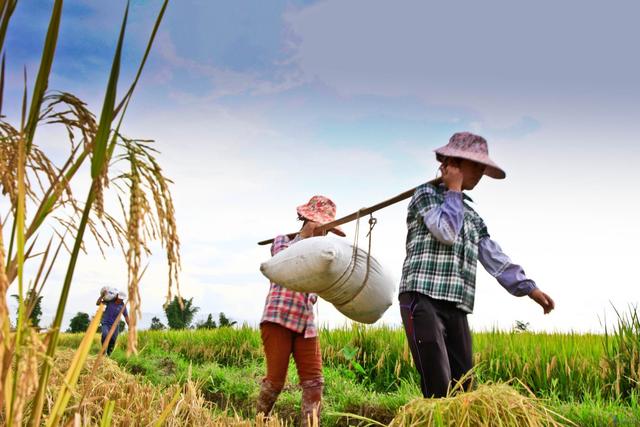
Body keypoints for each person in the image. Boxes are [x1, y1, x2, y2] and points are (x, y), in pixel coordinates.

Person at [399, 132, 555, 398]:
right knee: (438, 385)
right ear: (454, 165)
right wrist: (454, 190)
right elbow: (446, 231)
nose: (481, 173)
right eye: (476, 166)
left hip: (456, 305)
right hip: (421, 298)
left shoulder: (471, 216)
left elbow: (494, 256)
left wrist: (529, 288)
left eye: (483, 168)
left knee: (465, 387)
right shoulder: (425, 196)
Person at [257, 195, 345, 426]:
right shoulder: (281, 242)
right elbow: (283, 260)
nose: (323, 234)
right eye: (320, 226)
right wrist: (306, 238)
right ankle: (258, 420)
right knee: (275, 382)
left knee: (314, 382)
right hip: (279, 319)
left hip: (305, 324)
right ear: (307, 220)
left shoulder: (322, 256)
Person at [96, 288, 129, 356]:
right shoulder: (110, 301)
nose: (121, 300)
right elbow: (98, 303)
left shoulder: (122, 306)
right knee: (105, 334)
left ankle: (109, 354)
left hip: (115, 325)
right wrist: (102, 296)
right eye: (120, 298)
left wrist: (130, 326)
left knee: (113, 340)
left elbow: (126, 316)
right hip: (106, 323)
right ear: (117, 296)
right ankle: (103, 351)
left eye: (122, 299)